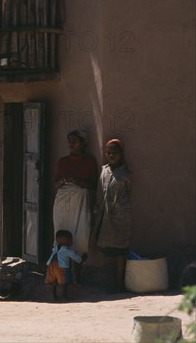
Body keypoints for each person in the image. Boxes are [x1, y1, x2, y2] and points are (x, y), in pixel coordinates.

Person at [52, 129, 98, 284]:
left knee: (80, 237)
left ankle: (78, 276)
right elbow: (56, 184)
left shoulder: (89, 162)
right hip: (63, 204)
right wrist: (64, 180)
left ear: (83, 143)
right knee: (62, 237)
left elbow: (92, 185)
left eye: (75, 141)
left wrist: (77, 181)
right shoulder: (62, 162)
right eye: (69, 141)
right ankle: (63, 276)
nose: (71, 144)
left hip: (81, 203)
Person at [92, 139, 132, 293]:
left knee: (120, 249)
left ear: (121, 154)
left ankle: (119, 282)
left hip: (120, 217)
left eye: (114, 152)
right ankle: (109, 281)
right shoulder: (104, 171)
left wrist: (121, 208)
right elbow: (98, 192)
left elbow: (130, 194)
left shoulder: (126, 174)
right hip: (104, 214)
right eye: (108, 152)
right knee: (106, 247)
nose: (111, 155)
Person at [45, 230, 83, 301]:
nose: (72, 241)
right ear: (68, 242)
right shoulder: (66, 250)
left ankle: (53, 295)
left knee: (54, 281)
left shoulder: (55, 248)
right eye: (71, 240)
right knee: (64, 282)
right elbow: (75, 257)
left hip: (51, 266)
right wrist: (81, 259)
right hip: (60, 267)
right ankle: (64, 296)